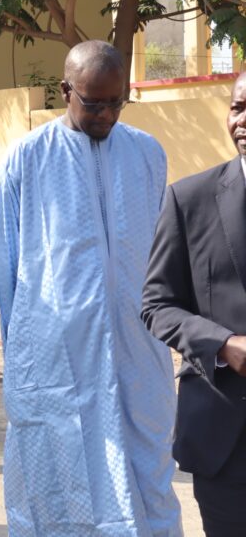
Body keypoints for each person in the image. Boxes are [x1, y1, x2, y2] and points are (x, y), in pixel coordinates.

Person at [0, 40, 182, 535]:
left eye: (117, 102)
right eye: (94, 104)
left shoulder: (147, 153)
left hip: (138, 349)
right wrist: (28, 339)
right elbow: (0, 259)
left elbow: (163, 250)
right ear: (66, 90)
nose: (107, 114)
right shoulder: (27, 157)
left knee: (147, 471)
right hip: (56, 357)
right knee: (59, 477)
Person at [141, 71, 246, 536]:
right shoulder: (190, 199)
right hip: (225, 441)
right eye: (237, 107)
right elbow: (157, 304)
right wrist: (223, 344)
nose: (242, 120)